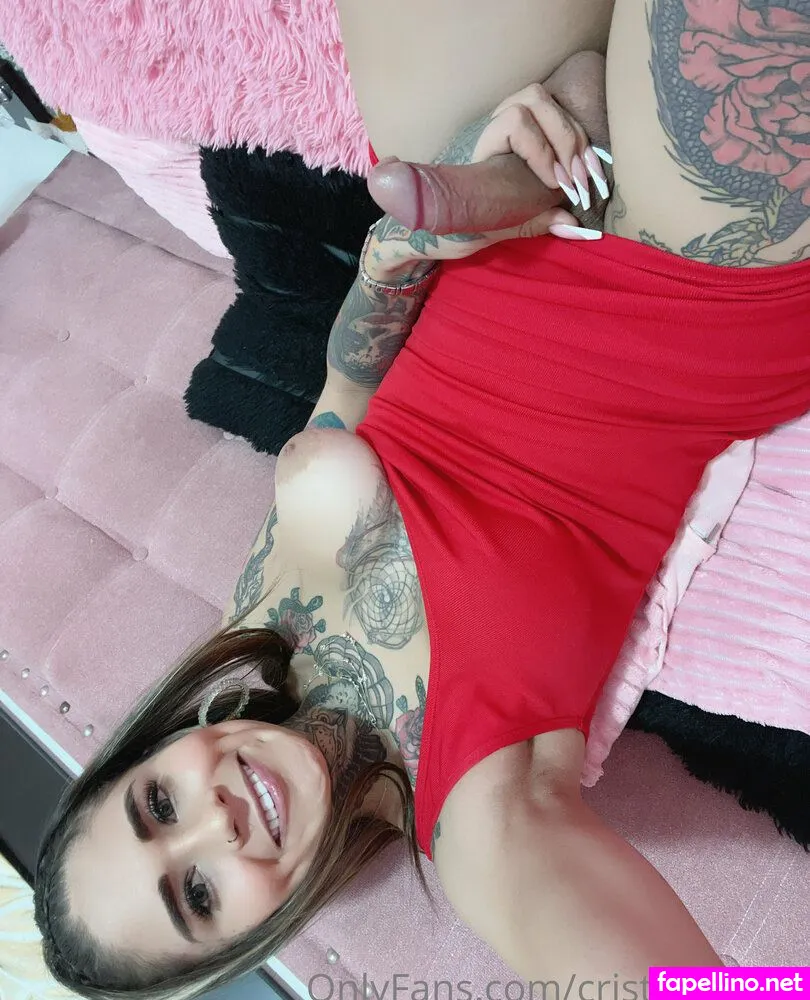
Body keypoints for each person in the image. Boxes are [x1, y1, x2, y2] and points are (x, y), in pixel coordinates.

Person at [34, 0, 810, 996]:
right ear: (250, 939)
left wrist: (407, 246)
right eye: (196, 892)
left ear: (149, 754)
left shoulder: (254, 633)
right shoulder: (482, 826)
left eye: (155, 808)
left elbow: (346, 392)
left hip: (492, 200)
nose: (209, 821)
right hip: (676, 290)